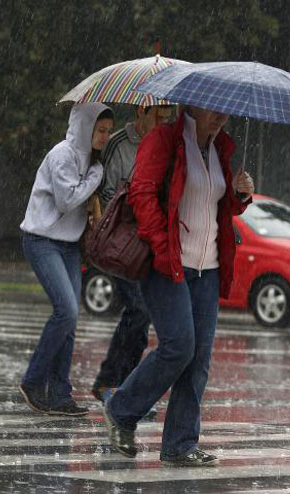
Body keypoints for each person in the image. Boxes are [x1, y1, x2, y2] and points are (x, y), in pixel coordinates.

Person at [103, 106, 254, 466]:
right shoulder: (164, 140)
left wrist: (239, 196)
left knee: (198, 358)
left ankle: (180, 444)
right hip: (168, 263)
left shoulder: (219, 149)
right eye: (213, 109)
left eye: (225, 112)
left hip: (208, 268)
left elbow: (218, 208)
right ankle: (122, 409)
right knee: (179, 346)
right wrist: (162, 246)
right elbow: (142, 195)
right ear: (194, 105)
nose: (220, 116)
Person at [19, 102, 114, 416]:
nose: (104, 137)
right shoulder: (62, 154)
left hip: (70, 245)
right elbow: (67, 199)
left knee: (71, 319)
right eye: (100, 130)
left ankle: (60, 394)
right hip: (42, 240)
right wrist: (95, 177)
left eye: (108, 131)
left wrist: (95, 174)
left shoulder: (92, 160)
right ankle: (33, 381)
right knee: (66, 311)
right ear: (85, 127)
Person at [91, 105, 173, 408]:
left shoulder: (166, 146)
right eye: (158, 117)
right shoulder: (119, 145)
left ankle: (124, 386)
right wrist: (134, 205)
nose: (162, 123)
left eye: (167, 119)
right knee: (139, 309)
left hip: (148, 241)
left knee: (143, 315)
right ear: (142, 112)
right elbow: (103, 192)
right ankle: (111, 381)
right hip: (121, 241)